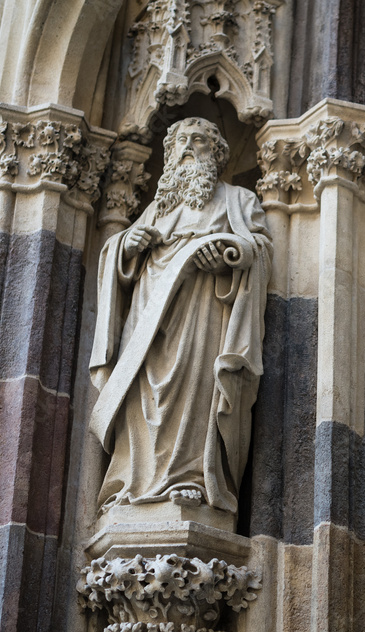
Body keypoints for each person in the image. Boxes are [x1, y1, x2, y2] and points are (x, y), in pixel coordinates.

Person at [89, 117, 272, 520]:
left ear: (218, 155)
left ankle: (190, 477)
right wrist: (127, 246)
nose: (190, 146)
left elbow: (258, 248)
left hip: (203, 310)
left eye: (201, 141)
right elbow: (116, 261)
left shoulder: (237, 201)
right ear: (169, 154)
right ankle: (134, 482)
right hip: (148, 311)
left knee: (194, 388)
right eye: (182, 141)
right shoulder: (158, 207)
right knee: (143, 394)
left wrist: (229, 254)